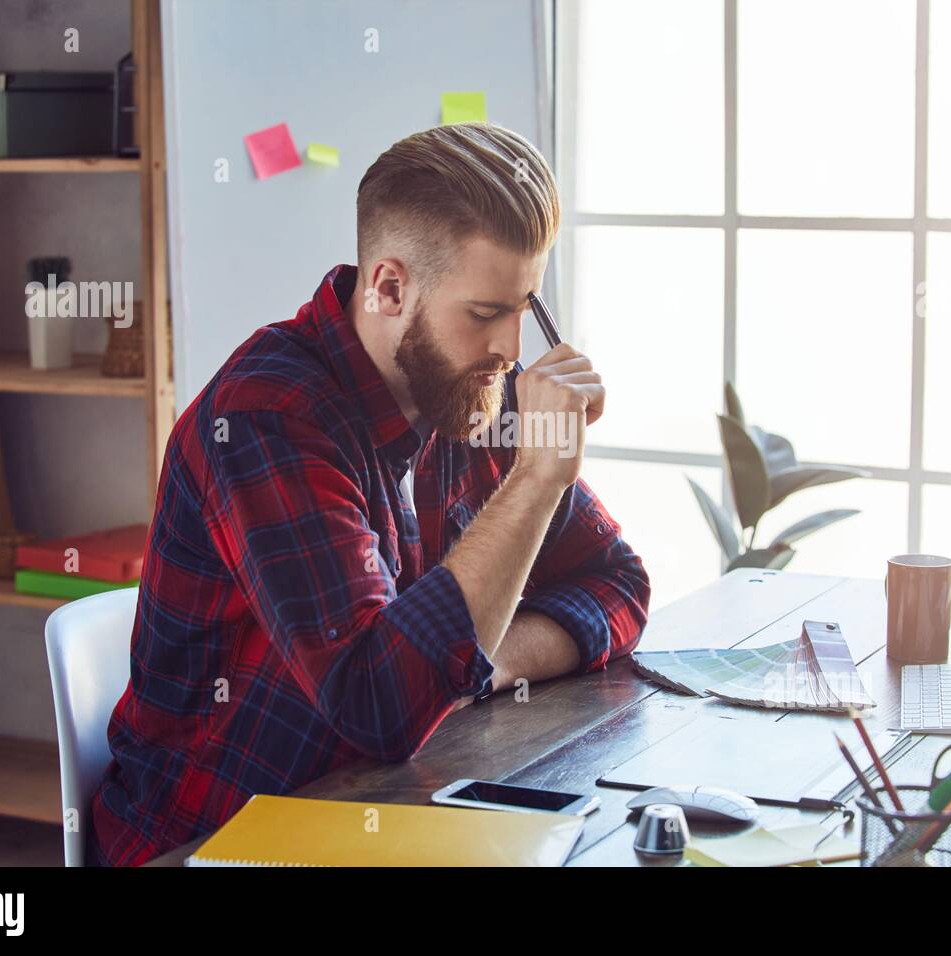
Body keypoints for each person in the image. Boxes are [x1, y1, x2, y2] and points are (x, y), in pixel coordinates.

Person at [86, 122, 650, 866]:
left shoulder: (474, 390)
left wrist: (482, 662)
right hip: (217, 835)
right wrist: (538, 477)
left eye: (527, 306)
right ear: (389, 287)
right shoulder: (265, 417)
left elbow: (619, 585)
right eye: (485, 314)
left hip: (400, 807)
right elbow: (378, 706)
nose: (513, 350)